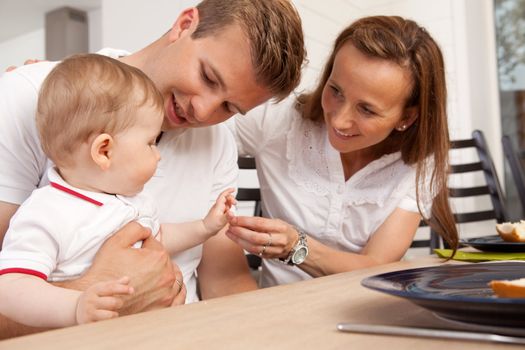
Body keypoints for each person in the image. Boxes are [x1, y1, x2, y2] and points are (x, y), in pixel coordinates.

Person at [0, 0, 305, 337]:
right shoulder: (25, 100)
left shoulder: (217, 143)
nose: (203, 113)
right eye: (208, 77)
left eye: (229, 107)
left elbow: (224, 280)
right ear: (184, 24)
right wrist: (96, 297)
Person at [0, 54, 239, 327]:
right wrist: (75, 305)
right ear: (104, 151)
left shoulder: (129, 201)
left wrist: (205, 227)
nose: (158, 155)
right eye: (150, 143)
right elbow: (10, 286)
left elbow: (159, 237)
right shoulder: (47, 213)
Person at [227, 16, 459, 287]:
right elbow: (196, 141)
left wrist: (296, 247)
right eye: (335, 90)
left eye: (367, 109)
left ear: (406, 117)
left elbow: (376, 267)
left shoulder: (422, 165)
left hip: (363, 311)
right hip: (278, 310)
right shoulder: (277, 120)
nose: (338, 120)